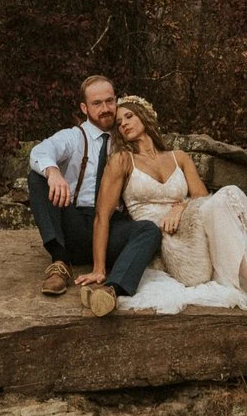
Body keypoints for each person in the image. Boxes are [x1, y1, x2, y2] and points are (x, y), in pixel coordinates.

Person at [89, 94, 247, 315]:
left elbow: (202, 198)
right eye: (118, 123)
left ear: (145, 116)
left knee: (228, 194)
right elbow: (102, 216)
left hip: (194, 234)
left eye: (129, 116)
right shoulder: (122, 160)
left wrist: (180, 207)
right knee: (221, 201)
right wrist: (99, 268)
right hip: (166, 248)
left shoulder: (178, 157)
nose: (123, 124)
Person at [23, 73, 162, 317]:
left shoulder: (127, 137)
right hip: (75, 222)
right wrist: (54, 172)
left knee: (149, 230)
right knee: (39, 176)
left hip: (111, 227)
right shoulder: (74, 137)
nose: (106, 109)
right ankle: (60, 262)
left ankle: (109, 290)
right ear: (84, 107)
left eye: (110, 101)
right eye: (97, 104)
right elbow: (41, 151)